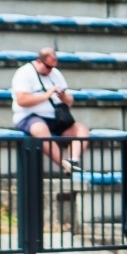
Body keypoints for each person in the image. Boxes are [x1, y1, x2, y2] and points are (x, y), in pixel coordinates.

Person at [11, 47, 89, 175]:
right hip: (29, 116)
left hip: (55, 117)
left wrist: (63, 97)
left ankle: (73, 161)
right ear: (39, 61)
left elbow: (70, 101)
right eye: (48, 67)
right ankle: (63, 163)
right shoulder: (24, 73)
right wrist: (46, 95)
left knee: (81, 129)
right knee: (40, 128)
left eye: (52, 67)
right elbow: (22, 100)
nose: (50, 70)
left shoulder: (55, 73)